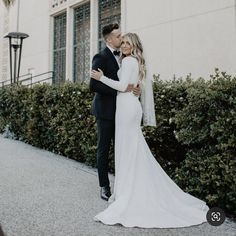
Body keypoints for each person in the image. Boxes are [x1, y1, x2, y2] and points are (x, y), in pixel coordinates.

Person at [90, 32, 209, 228]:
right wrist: (131, 87)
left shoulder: (129, 62)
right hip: (129, 107)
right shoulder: (132, 61)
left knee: (126, 150)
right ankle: (128, 189)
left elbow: (121, 86)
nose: (125, 45)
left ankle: (127, 193)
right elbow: (130, 85)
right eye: (123, 41)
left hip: (126, 109)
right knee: (131, 150)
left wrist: (102, 78)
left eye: (128, 42)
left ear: (134, 45)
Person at [89, 23, 140, 201]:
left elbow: (130, 79)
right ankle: (104, 186)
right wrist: (121, 90)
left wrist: (135, 89)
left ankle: (125, 185)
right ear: (110, 39)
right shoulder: (100, 57)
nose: (121, 38)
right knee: (104, 149)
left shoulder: (125, 57)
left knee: (123, 149)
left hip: (123, 112)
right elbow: (93, 85)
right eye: (118, 36)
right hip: (105, 112)